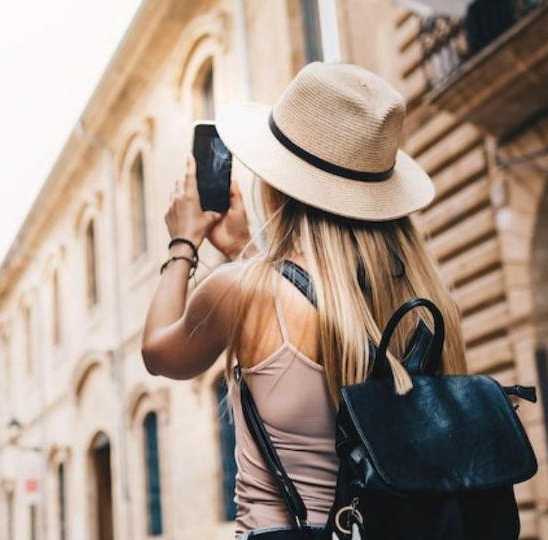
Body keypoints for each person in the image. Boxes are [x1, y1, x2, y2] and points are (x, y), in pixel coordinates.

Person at [141, 62, 468, 539]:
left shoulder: (241, 289)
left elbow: (158, 352)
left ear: (278, 184)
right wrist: (242, 248)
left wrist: (183, 243)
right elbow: (320, 301)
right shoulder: (424, 297)